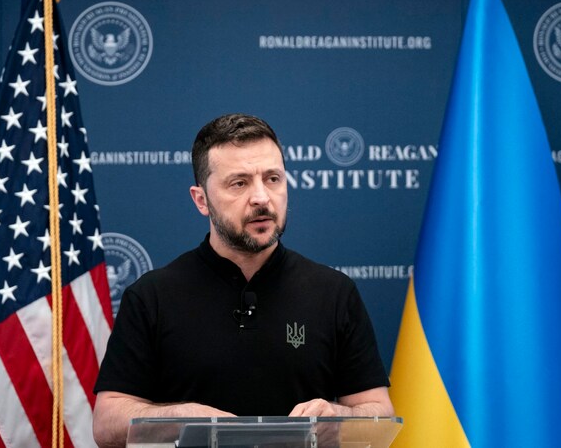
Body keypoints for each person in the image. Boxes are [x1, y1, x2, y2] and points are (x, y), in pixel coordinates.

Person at [92, 114, 393, 447]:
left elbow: (378, 413)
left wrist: (338, 419)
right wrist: (183, 419)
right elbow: (106, 423)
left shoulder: (334, 292)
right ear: (201, 200)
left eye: (273, 179)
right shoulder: (152, 296)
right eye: (239, 183)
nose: (262, 197)